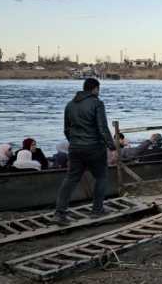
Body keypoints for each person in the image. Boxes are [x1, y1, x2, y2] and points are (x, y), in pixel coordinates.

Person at [54, 78, 116, 225]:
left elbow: (66, 129)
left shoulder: (69, 105)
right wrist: (112, 146)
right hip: (94, 148)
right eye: (98, 90)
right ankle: (97, 210)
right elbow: (102, 128)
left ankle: (59, 213)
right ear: (95, 89)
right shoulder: (97, 103)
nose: (98, 93)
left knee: (70, 179)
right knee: (101, 177)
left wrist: (75, 142)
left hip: (75, 148)